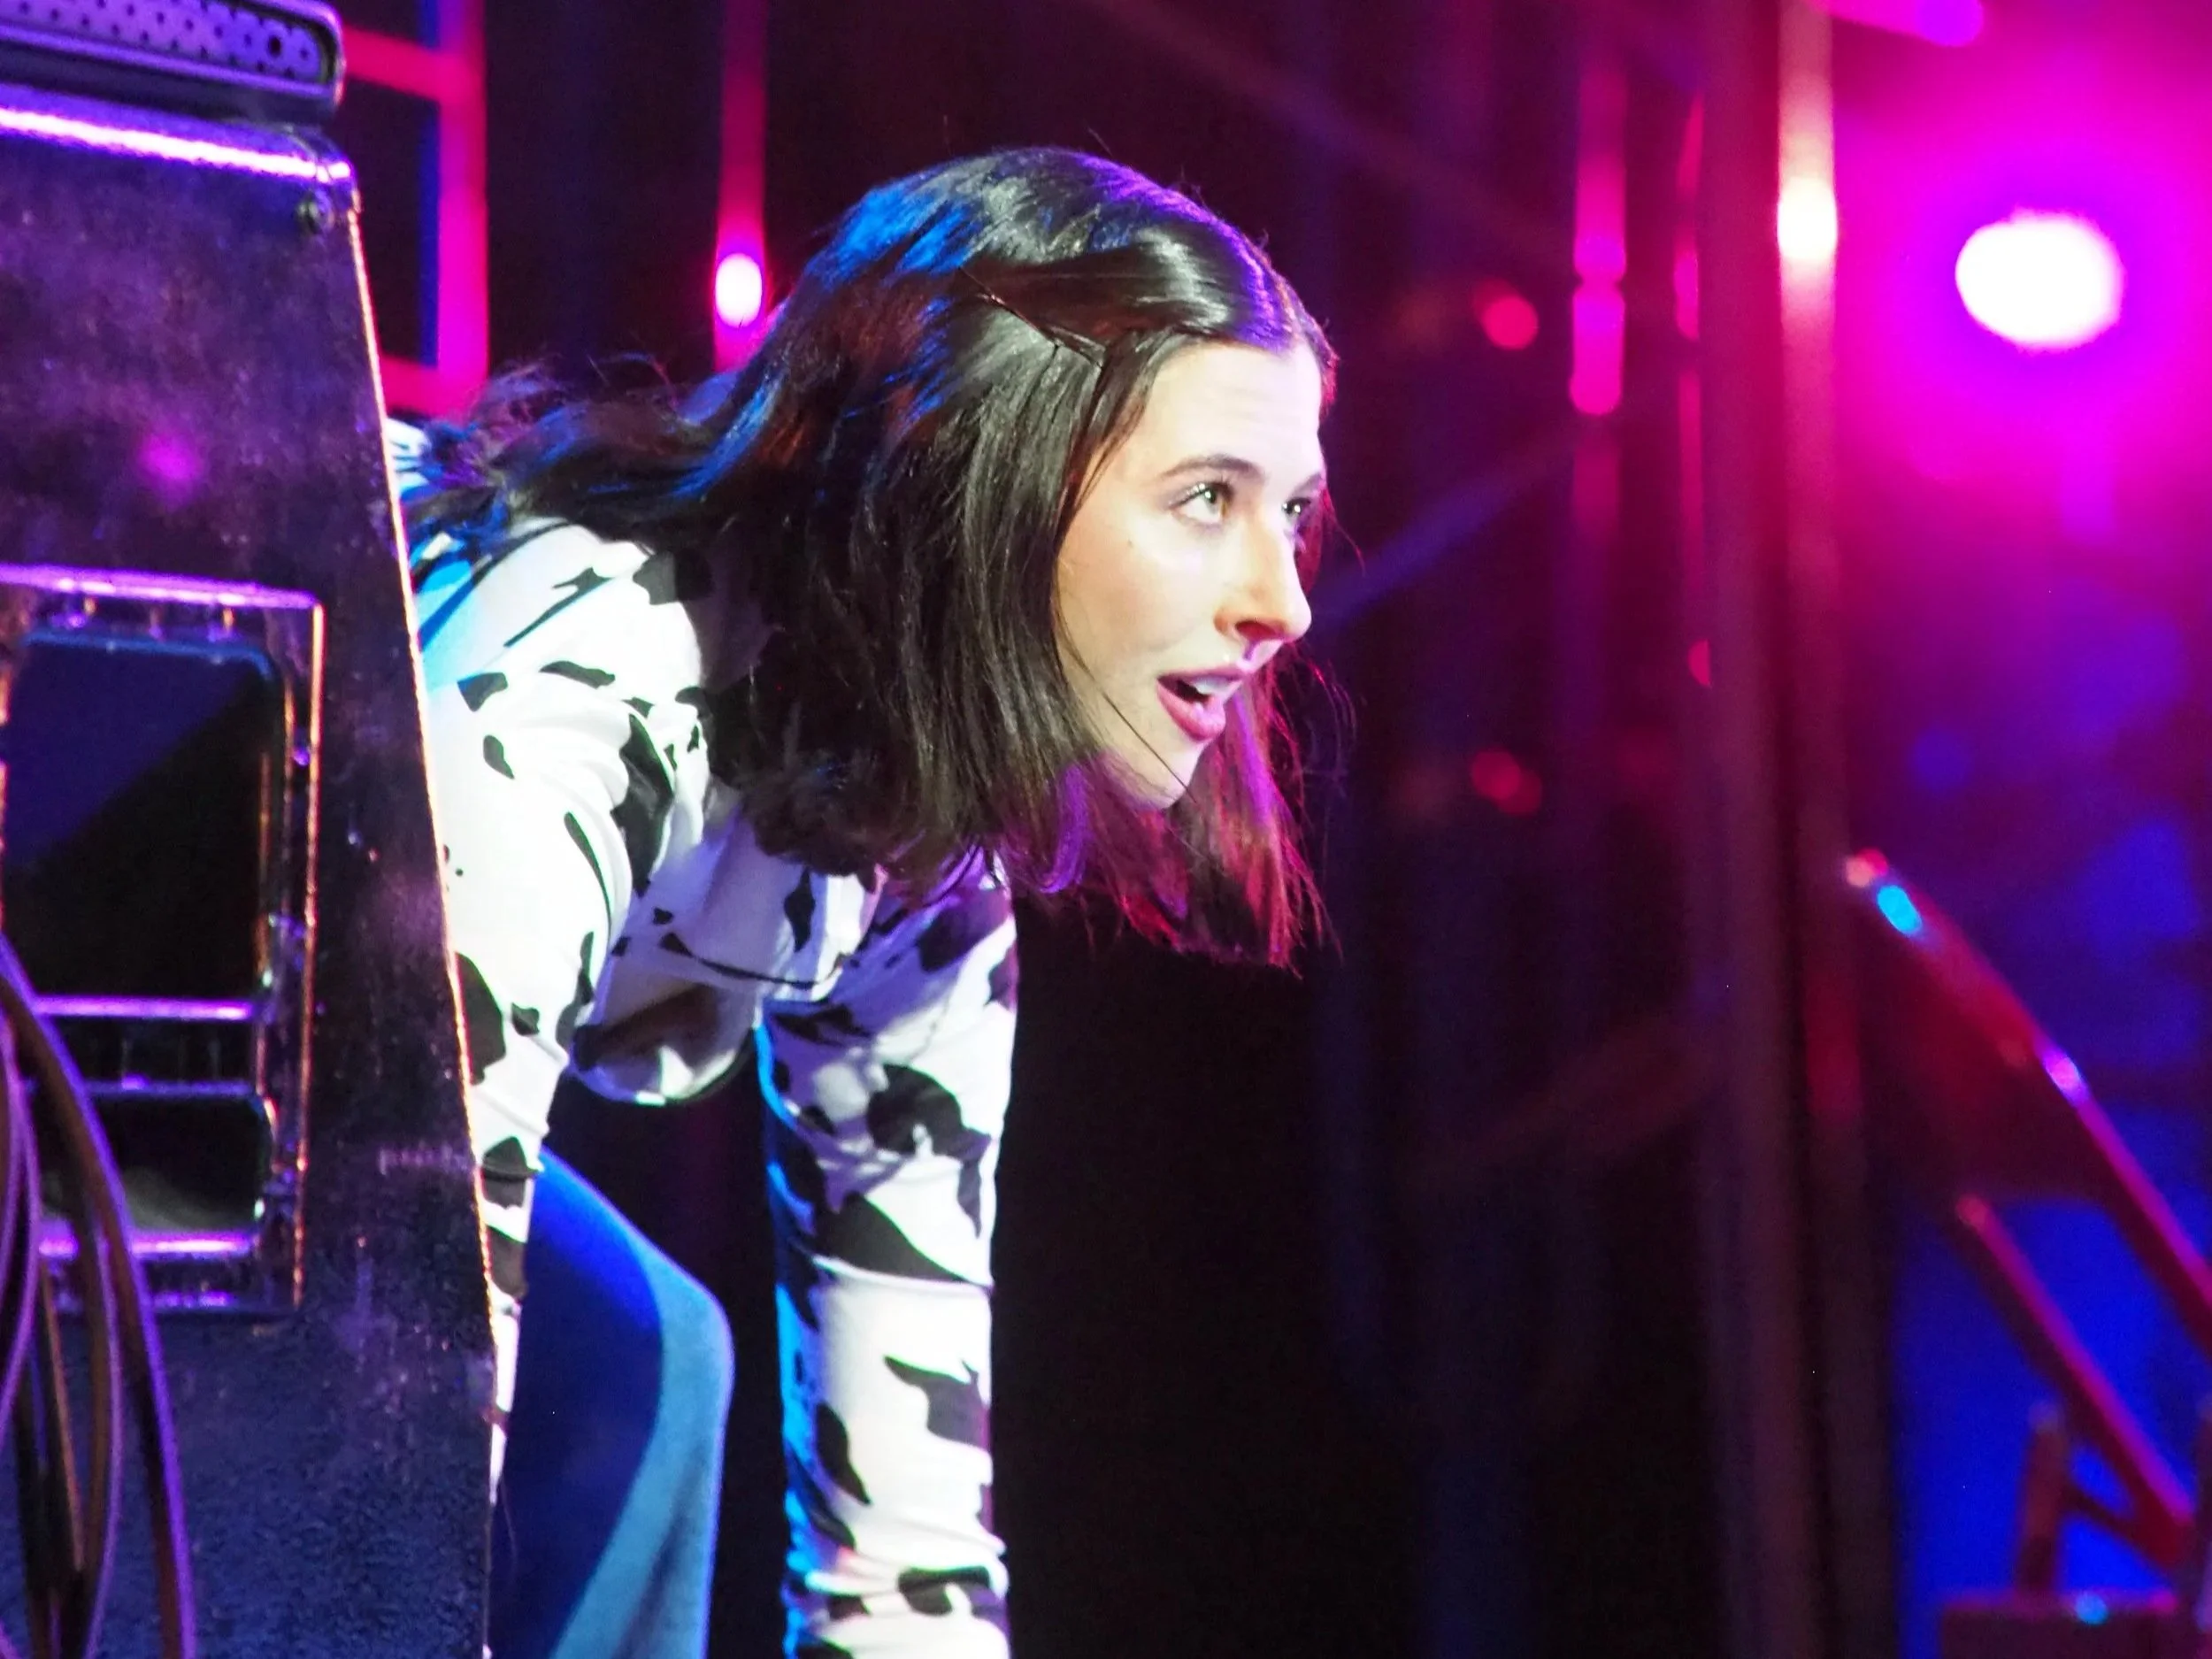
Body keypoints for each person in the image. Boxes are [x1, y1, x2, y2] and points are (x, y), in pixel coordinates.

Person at [391, 145, 1335, 1659]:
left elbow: (904, 1547)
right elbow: (404, 1386)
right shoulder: (574, 689)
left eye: (1290, 509)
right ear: (979, 473)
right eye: (1207, 497)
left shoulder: (931, 876)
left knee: (647, 1363)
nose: (1281, 597)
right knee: (633, 1372)